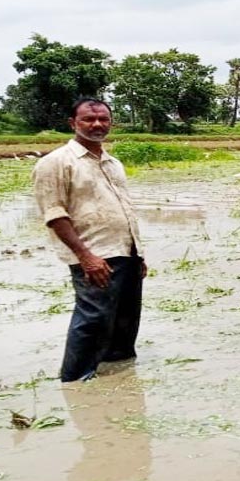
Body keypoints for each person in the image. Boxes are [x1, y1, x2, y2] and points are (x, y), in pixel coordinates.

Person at [32, 97, 147, 382]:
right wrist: (86, 257)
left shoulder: (112, 163)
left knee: (125, 320)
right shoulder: (56, 163)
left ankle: (119, 376)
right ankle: (75, 380)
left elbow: (125, 208)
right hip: (95, 255)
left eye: (103, 119)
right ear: (73, 123)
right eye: (88, 119)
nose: (97, 124)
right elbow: (54, 214)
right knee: (92, 320)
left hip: (126, 252)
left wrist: (139, 255)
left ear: (111, 123)